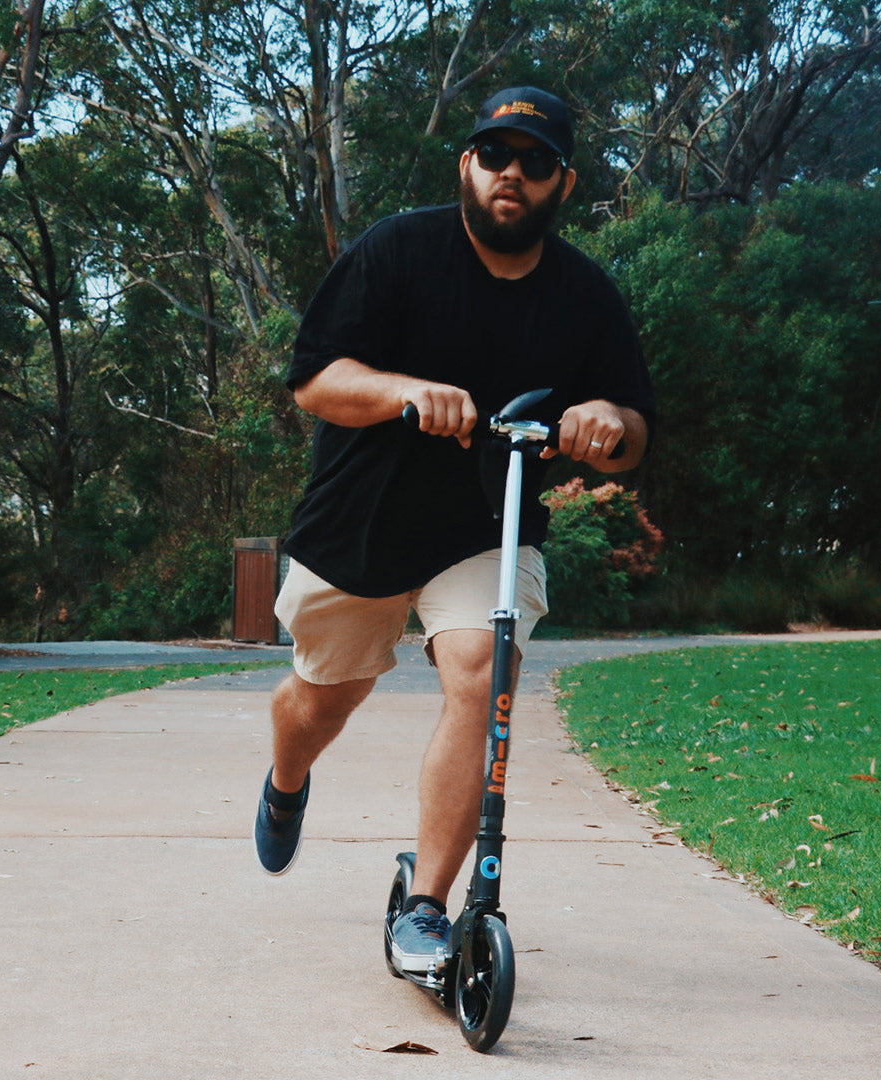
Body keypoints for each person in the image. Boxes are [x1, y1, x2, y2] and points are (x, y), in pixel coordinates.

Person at [253, 86, 656, 973]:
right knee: (324, 701)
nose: (514, 172)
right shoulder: (397, 250)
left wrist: (604, 423)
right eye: (497, 154)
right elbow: (316, 381)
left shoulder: (586, 296)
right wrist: (405, 391)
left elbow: (632, 434)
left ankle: (427, 908)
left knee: (484, 671)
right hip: (360, 521)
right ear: (467, 164)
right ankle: (286, 783)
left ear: (563, 181)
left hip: (488, 522)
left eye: (537, 160)